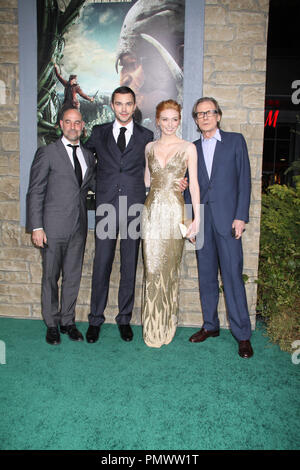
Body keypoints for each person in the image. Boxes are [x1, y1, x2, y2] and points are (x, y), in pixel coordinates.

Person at [185, 97, 253, 358]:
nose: (204, 117)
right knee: (206, 277)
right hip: (202, 223)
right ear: (196, 119)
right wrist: (191, 221)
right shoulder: (192, 148)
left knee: (233, 277)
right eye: (199, 114)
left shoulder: (235, 141)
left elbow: (244, 181)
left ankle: (243, 335)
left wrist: (241, 216)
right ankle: (210, 326)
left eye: (209, 113)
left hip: (228, 221)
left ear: (218, 115)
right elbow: (190, 188)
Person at [85, 86, 154, 343]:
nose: (124, 108)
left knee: (129, 266)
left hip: (134, 207)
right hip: (105, 207)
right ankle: (95, 319)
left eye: (128, 104)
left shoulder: (147, 136)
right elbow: (84, 160)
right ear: (112, 106)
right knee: (101, 264)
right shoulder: (98, 133)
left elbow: (157, 166)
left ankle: (124, 319)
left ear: (134, 106)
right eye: (119, 104)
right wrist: (96, 186)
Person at [26, 108, 96, 345]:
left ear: (82, 125)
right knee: (50, 277)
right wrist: (36, 227)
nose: (73, 127)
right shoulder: (47, 152)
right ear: (60, 124)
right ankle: (52, 324)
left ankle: (68, 322)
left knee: (72, 277)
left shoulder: (88, 156)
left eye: (77, 123)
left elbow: (94, 186)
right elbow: (35, 191)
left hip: (78, 227)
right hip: (52, 227)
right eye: (69, 122)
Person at [142, 100, 200, 348]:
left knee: (170, 270)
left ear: (179, 120)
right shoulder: (149, 147)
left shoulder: (188, 148)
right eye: (164, 119)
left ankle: (166, 325)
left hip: (175, 213)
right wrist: (166, 181)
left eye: (174, 119)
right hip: (152, 213)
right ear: (157, 120)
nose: (169, 124)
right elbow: (148, 180)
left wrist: (196, 219)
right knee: (152, 269)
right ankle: (152, 327)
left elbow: (194, 185)